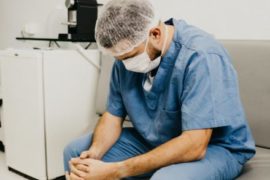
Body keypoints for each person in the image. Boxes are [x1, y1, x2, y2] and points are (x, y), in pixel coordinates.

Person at [64, 0, 255, 179]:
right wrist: (95, 153)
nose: (125, 65)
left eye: (129, 57)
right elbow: (113, 116)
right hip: (156, 140)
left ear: (155, 34)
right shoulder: (125, 60)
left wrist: (115, 171)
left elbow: (195, 145)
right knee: (76, 154)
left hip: (216, 147)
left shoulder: (200, 56)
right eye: (120, 59)